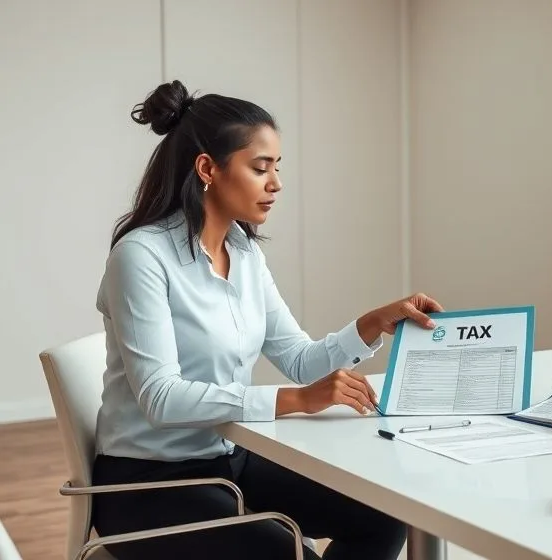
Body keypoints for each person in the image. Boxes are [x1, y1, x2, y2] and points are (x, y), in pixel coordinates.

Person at [91, 80, 442, 560]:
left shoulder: (243, 250)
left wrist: (370, 325)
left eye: (277, 168)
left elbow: (298, 359)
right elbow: (161, 398)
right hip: (150, 485)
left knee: (382, 517)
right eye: (260, 168)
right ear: (207, 169)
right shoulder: (141, 257)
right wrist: (296, 401)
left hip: (228, 461)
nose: (275, 183)